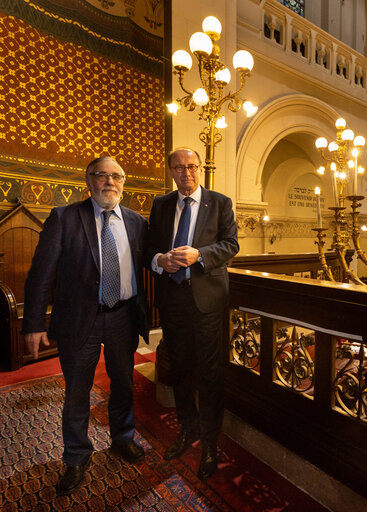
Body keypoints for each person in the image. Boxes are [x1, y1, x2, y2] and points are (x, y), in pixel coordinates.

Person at [23, 156, 150, 495]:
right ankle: (76, 456)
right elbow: (41, 274)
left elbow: (150, 263)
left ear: (124, 182)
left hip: (124, 315)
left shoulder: (138, 222)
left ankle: (123, 438)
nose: (110, 182)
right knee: (77, 391)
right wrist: (34, 324)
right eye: (101, 175)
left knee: (124, 383)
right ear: (88, 180)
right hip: (81, 319)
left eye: (117, 176)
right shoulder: (64, 217)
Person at [148, 147, 239, 481]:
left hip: (208, 303)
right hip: (173, 302)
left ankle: (211, 444)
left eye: (191, 166)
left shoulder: (220, 203)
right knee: (181, 370)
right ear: (171, 170)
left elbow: (231, 244)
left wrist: (199, 254)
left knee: (210, 374)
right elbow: (148, 251)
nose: (186, 173)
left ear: (200, 168)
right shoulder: (160, 205)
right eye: (178, 167)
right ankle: (188, 430)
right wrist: (161, 260)